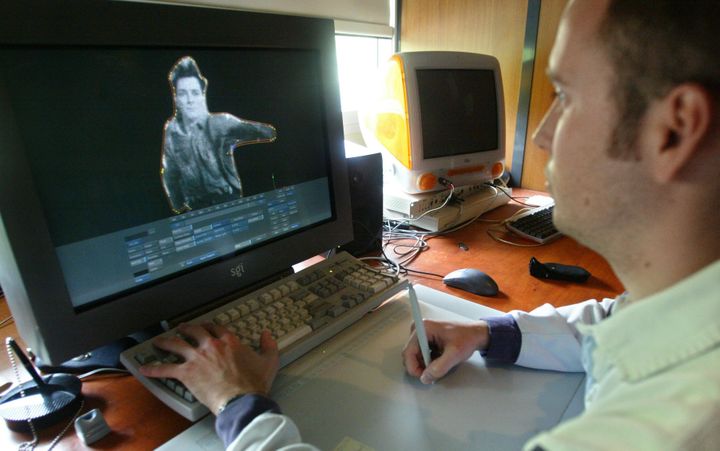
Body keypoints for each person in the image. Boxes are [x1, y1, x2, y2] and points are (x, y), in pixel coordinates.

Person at [141, 1, 720, 449]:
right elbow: (620, 323)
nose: (542, 135)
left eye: (565, 96)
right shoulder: (693, 301)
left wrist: (240, 406)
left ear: (674, 130)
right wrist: (492, 333)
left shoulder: (666, 429)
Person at [161, 56, 277, 214]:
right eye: (183, 93)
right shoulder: (172, 131)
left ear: (202, 95)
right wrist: (178, 206)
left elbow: (264, 132)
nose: (189, 100)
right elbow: (170, 172)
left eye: (194, 93)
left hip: (228, 202)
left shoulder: (220, 123)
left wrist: (275, 130)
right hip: (196, 210)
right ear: (176, 97)